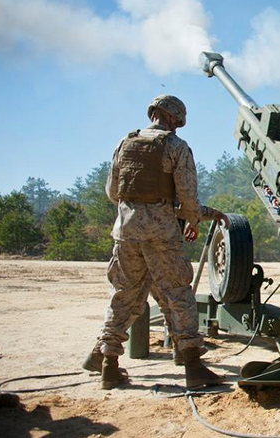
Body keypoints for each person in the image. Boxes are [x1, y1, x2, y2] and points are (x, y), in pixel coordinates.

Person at [82, 94, 228, 390]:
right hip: (161, 235)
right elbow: (188, 199)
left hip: (125, 232)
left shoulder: (125, 143)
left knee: (123, 294)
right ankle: (193, 367)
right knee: (178, 295)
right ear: (175, 118)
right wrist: (204, 216)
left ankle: (107, 364)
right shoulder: (176, 147)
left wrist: (138, 209)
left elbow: (113, 192)